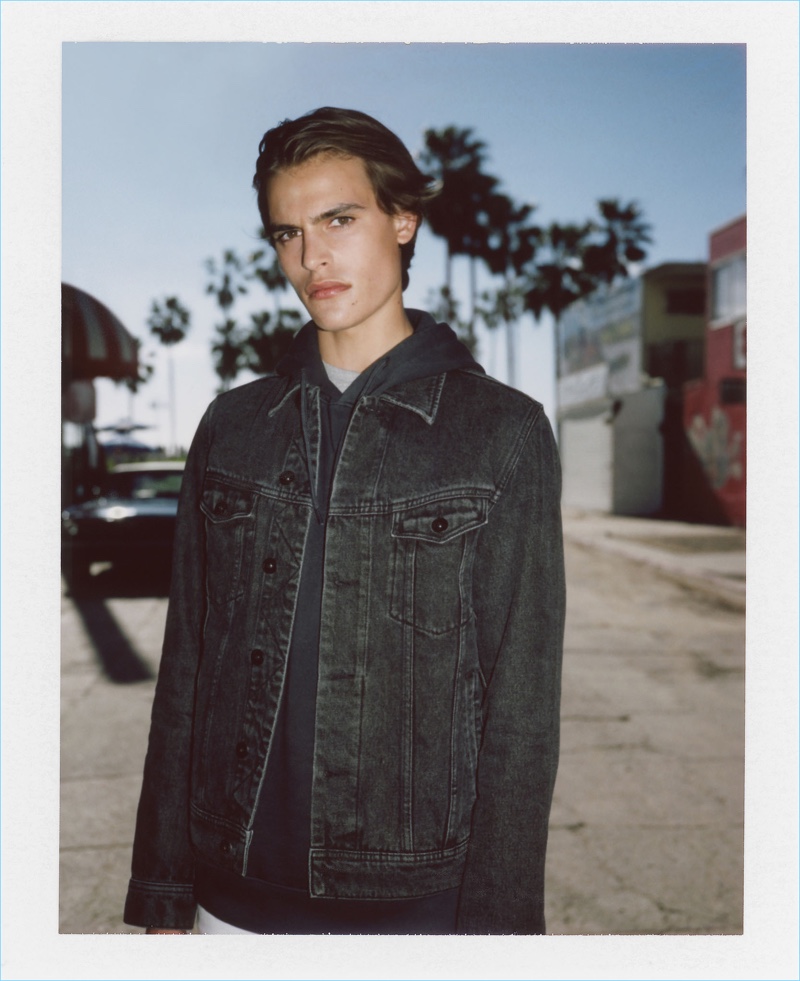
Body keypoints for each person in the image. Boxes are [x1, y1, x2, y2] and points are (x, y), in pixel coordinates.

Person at [123, 107, 565, 936]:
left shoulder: (502, 432)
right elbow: (187, 667)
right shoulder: (231, 425)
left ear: (403, 219)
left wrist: (501, 938)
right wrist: (163, 890)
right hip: (229, 895)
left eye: (339, 219)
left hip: (417, 907)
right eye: (287, 233)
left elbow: (522, 711)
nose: (312, 257)